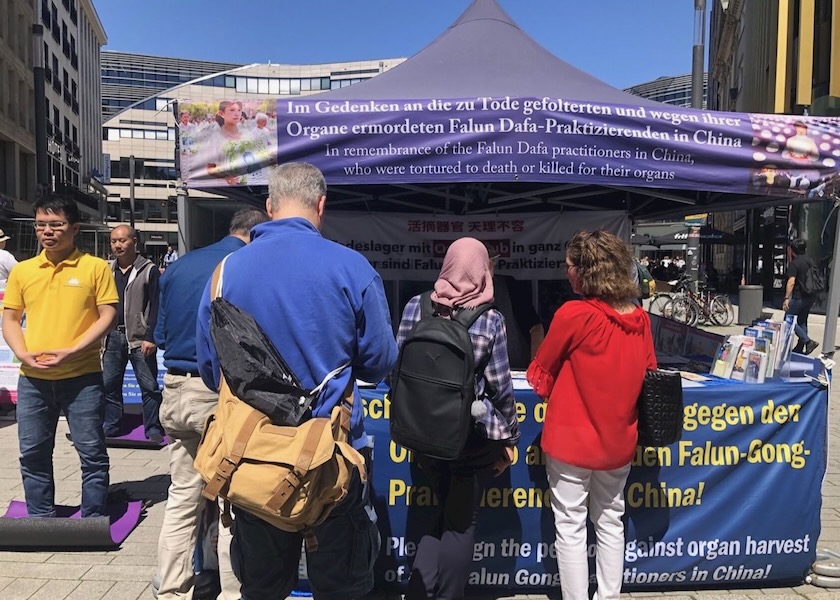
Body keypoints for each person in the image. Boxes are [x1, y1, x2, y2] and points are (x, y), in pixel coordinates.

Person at [196, 162, 397, 600]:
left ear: (269, 207)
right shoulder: (353, 268)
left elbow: (213, 372)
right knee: (343, 588)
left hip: (252, 461)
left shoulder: (226, 272)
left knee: (262, 588)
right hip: (333, 461)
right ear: (321, 205)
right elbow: (380, 362)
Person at [526, 230, 656, 600]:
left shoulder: (574, 314)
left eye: (569, 266)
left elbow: (541, 370)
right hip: (619, 439)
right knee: (612, 520)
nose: (566, 273)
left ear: (586, 271)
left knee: (570, 525)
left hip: (571, 438)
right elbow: (650, 374)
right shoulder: (641, 319)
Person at [154, 208, 268, 600]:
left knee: (182, 494)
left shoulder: (179, 266)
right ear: (256, 234)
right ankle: (233, 592)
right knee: (230, 500)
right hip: (216, 395)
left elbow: (162, 335)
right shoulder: (240, 268)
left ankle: (170, 588)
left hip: (174, 390)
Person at [399, 237, 519, 600]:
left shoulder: (415, 307)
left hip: (422, 434)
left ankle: (420, 593)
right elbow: (500, 387)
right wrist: (509, 438)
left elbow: (399, 369)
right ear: (483, 271)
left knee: (433, 516)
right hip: (470, 438)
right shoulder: (491, 319)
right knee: (460, 523)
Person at [2, 196, 117, 517]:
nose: (47, 232)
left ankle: (93, 516)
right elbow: (10, 319)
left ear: (74, 228)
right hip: (33, 379)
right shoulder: (23, 271)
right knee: (33, 452)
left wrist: (73, 349)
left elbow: (108, 314)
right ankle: (41, 516)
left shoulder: (94, 268)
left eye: (56, 225)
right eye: (41, 225)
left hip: (83, 377)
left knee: (91, 451)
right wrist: (22, 352)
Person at [102, 225, 164, 441]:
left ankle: (153, 427)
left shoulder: (149, 269)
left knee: (149, 386)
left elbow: (157, 305)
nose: (117, 245)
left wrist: (151, 336)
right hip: (111, 337)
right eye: (113, 241)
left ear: (134, 242)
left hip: (140, 339)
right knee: (109, 384)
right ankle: (112, 425)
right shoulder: (107, 270)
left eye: (122, 240)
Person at [487, 248, 544, 369]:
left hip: (515, 370)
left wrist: (534, 366)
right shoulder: (456, 295)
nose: (492, 266)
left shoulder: (509, 286)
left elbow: (536, 327)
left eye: (493, 263)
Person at [783, 238, 820, 355]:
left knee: (788, 319)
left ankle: (808, 342)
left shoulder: (795, 263)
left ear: (792, 250)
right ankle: (800, 347)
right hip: (811, 296)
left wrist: (786, 298)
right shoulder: (810, 261)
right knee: (802, 321)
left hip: (799, 297)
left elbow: (791, 282)